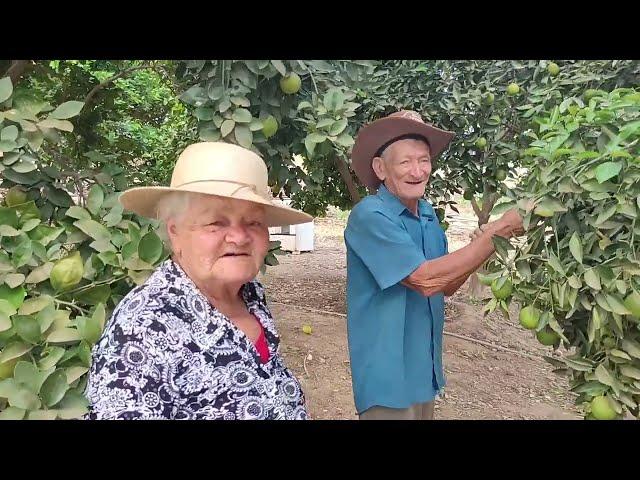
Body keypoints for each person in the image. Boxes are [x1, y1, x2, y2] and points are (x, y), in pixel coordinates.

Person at [85, 142, 312, 420]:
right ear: (175, 232)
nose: (239, 237)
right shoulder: (144, 326)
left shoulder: (248, 294)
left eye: (253, 223)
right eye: (216, 222)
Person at [345, 110, 524, 420]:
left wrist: (488, 244)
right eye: (405, 162)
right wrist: (500, 230)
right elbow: (424, 280)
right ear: (380, 168)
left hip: (423, 372)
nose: (417, 171)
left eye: (424, 160)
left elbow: (447, 285)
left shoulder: (427, 215)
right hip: (386, 379)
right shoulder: (370, 216)